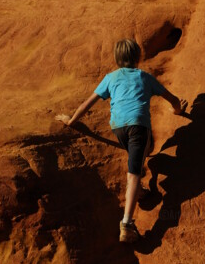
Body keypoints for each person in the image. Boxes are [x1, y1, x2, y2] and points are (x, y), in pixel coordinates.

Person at [56, 38, 187, 243]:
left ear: (117, 59)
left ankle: (140, 192)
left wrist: (71, 120)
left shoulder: (110, 78)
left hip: (118, 128)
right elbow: (173, 99)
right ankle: (127, 224)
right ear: (138, 57)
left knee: (141, 156)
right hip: (138, 127)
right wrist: (177, 111)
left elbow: (87, 103)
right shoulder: (145, 77)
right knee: (134, 173)